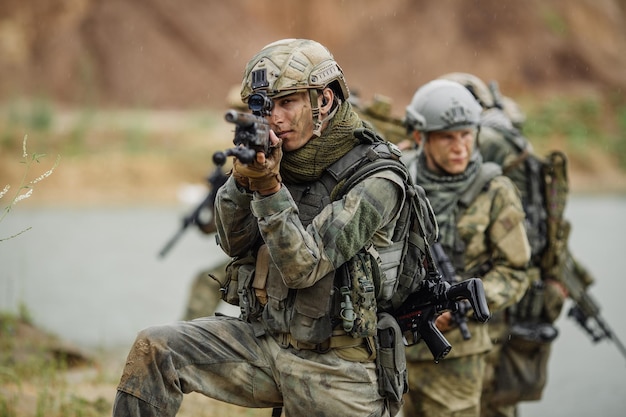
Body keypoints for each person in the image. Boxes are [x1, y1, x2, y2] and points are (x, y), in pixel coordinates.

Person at [112, 38, 436, 417]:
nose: (275, 118)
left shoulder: (376, 177)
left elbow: (303, 268)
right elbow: (233, 242)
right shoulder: (280, 157)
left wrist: (268, 187)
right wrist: (242, 178)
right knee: (155, 348)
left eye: (288, 103)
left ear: (324, 101)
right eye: (267, 106)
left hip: (339, 367)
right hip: (266, 345)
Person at [437, 72, 595, 417]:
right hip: (508, 291)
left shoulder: (487, 140)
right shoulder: (510, 137)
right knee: (496, 398)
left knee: (483, 396)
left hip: (490, 296)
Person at [400, 79, 531, 417]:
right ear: (420, 137)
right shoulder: (396, 180)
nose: (460, 147)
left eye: (466, 135)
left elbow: (514, 271)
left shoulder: (495, 191)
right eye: (448, 137)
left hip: (457, 353)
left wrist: (460, 305)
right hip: (393, 346)